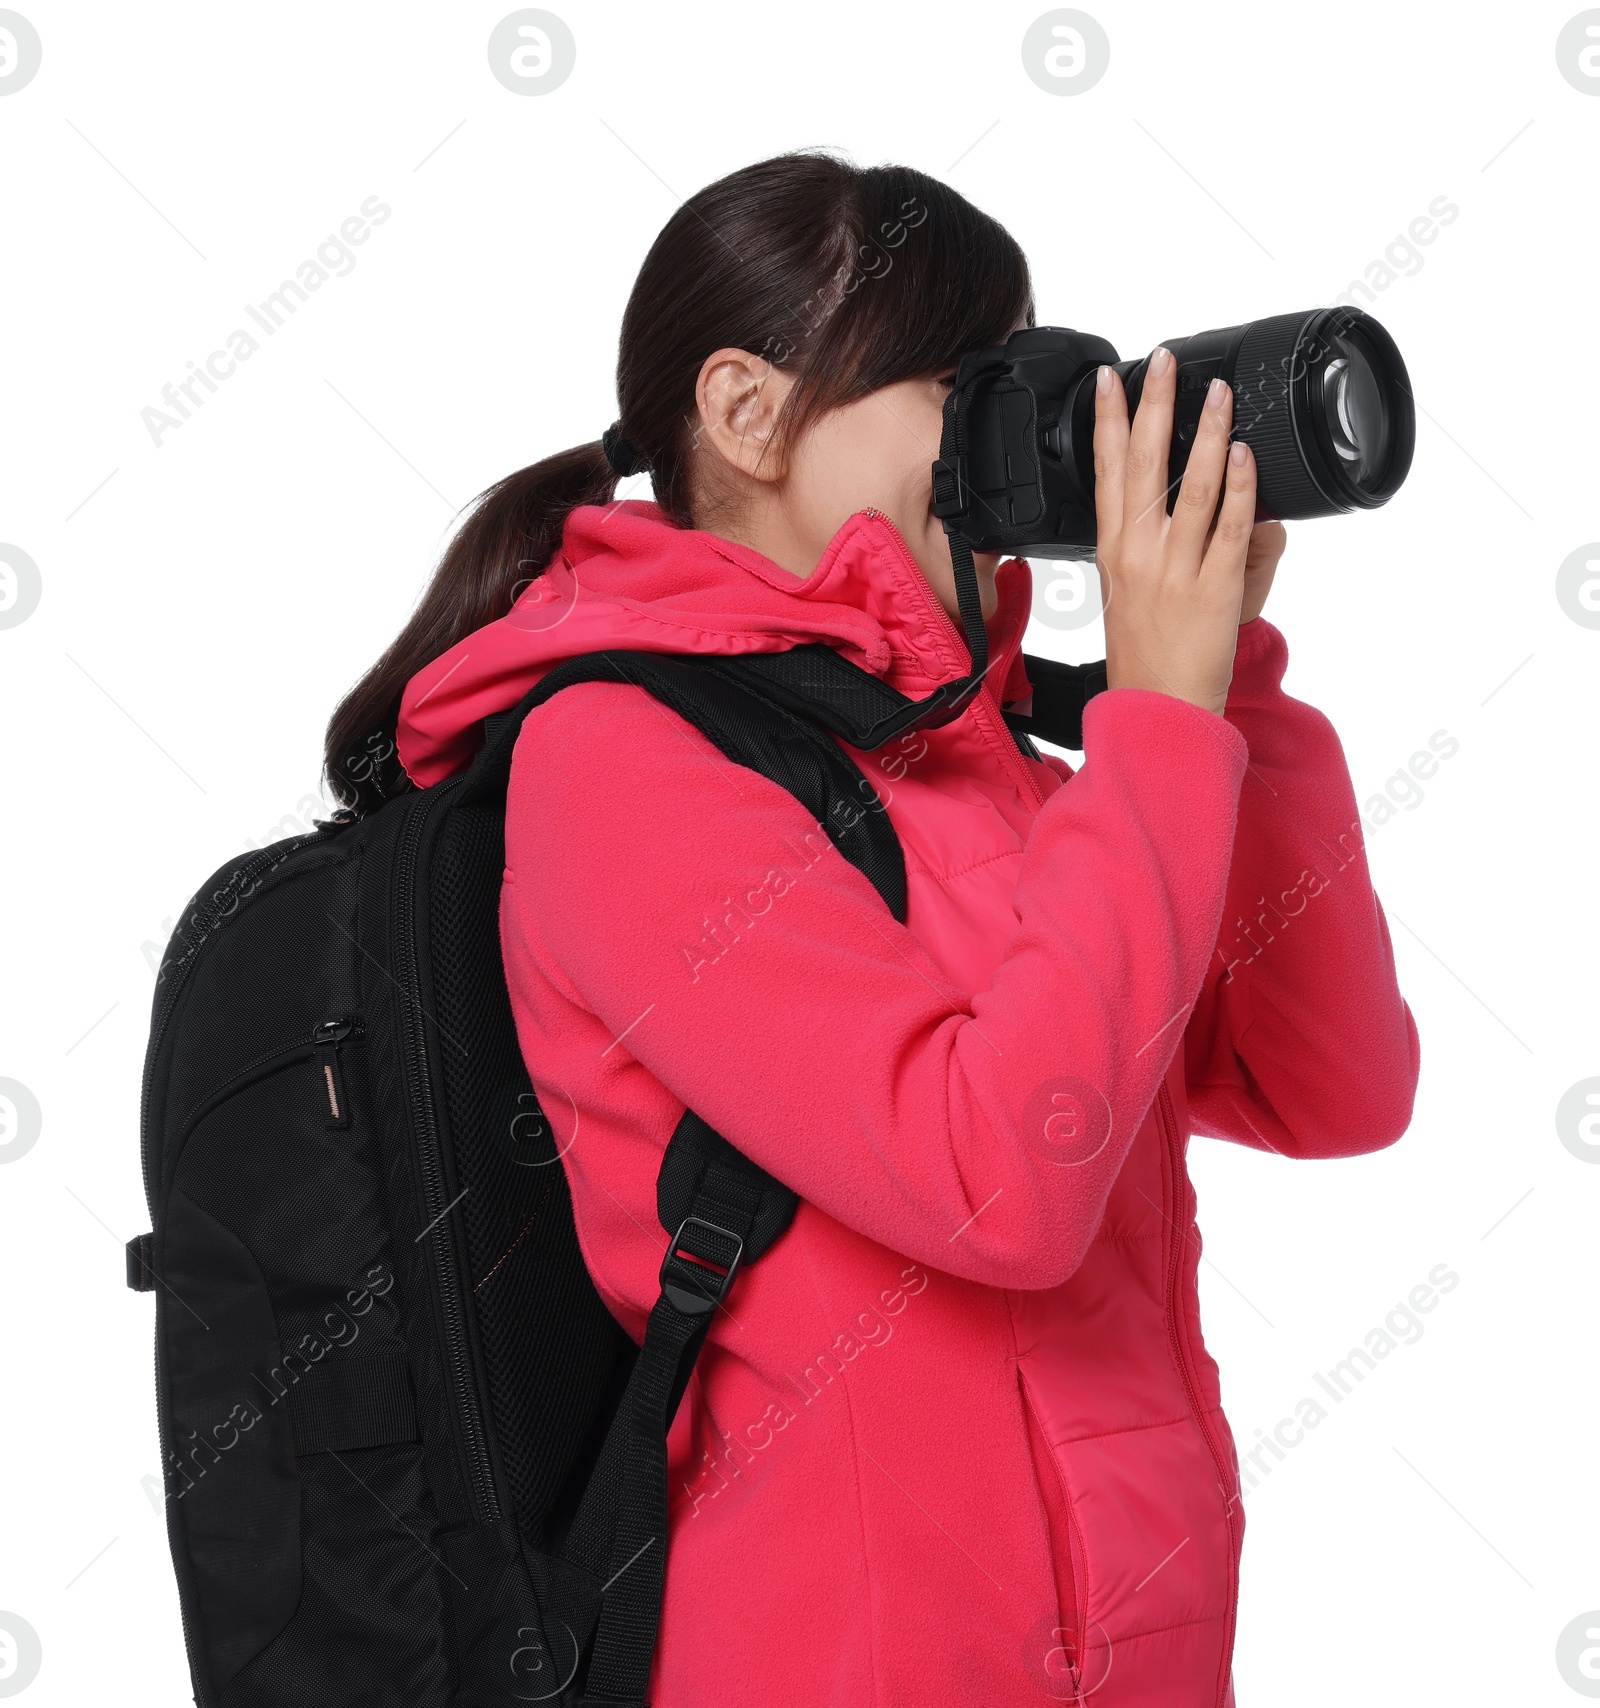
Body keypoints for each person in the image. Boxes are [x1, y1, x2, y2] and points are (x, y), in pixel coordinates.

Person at [328, 150, 1420, 1708]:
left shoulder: (1001, 774)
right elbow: (1006, 1179)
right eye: (954, 390)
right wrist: (1162, 724)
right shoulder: (617, 763)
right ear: (749, 412)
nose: (999, 449)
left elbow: (1334, 1087)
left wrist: (1228, 678)